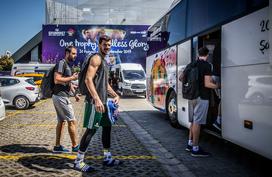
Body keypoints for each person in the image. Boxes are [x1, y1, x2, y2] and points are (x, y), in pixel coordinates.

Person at [74, 35, 121, 172]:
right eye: (105, 44)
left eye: (109, 44)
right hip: (95, 102)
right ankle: (78, 161)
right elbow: (88, 79)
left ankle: (107, 157)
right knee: (91, 130)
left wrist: (115, 95)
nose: (107, 47)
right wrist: (96, 99)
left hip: (104, 102)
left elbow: (104, 84)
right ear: (99, 45)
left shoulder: (104, 61)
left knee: (107, 127)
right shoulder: (96, 58)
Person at [186, 47, 220, 157]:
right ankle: (195, 149)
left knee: (192, 121)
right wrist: (219, 85)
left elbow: (182, 78)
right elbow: (207, 84)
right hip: (202, 97)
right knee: (197, 122)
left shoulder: (192, 64)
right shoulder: (206, 65)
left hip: (191, 96)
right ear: (207, 55)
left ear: (198, 54)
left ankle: (190, 144)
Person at [52, 45, 80, 153]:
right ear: (67, 53)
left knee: (61, 121)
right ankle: (75, 146)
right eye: (73, 53)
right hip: (60, 96)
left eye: (75, 53)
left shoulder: (68, 65)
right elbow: (57, 79)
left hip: (60, 96)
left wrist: (75, 94)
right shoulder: (61, 63)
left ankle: (57, 146)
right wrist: (72, 77)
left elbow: (68, 82)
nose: (75, 55)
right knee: (72, 121)